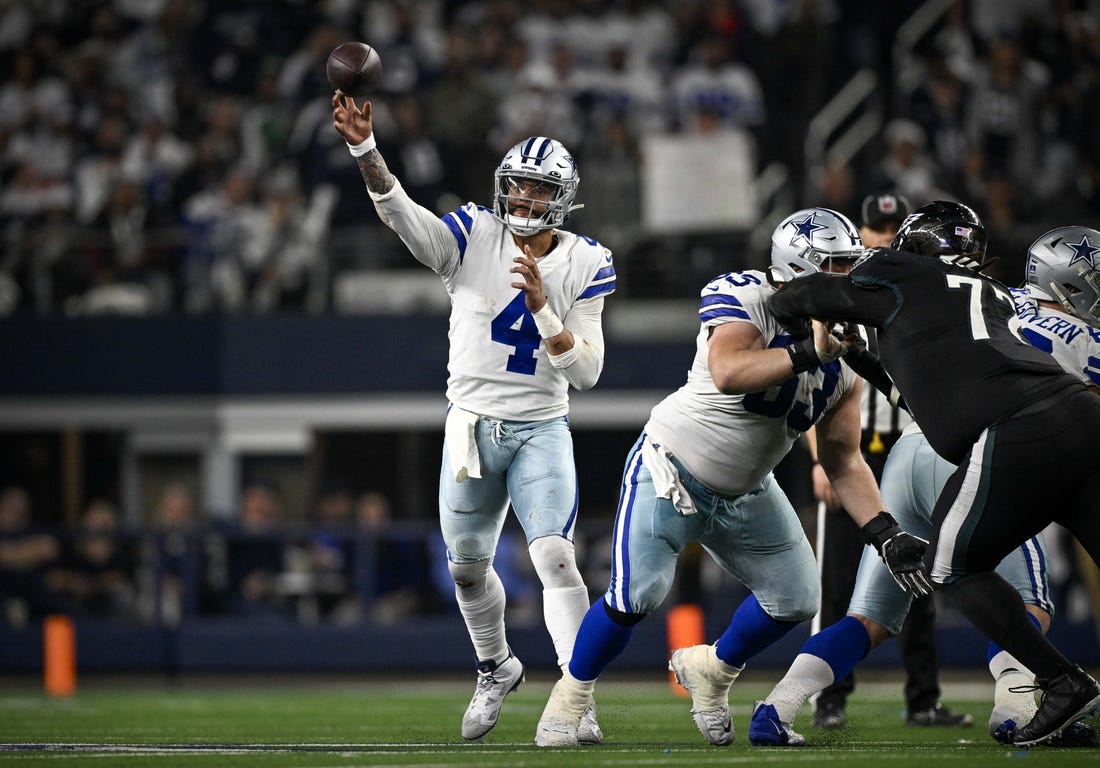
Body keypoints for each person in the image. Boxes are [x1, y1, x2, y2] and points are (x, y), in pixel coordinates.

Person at [534, 208, 920, 747]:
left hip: (747, 489)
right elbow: (729, 370)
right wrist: (809, 351)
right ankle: (569, 698)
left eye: (848, 264)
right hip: (672, 469)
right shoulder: (747, 297)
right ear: (799, 267)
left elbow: (843, 459)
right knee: (636, 595)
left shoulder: (848, 353)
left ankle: (713, 670)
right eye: (833, 265)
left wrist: (884, 531)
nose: (846, 278)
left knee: (797, 596)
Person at [332, 95, 616, 743]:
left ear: (562, 197)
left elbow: (588, 373)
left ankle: (576, 696)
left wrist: (546, 310)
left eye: (535, 188)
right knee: (465, 567)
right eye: (513, 185)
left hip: (541, 425)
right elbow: (405, 219)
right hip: (469, 426)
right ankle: (497, 665)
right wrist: (365, 151)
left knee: (555, 557)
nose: (519, 198)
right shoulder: (473, 234)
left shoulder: (586, 260)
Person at [750, 224, 1100, 747]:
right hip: (1030, 429)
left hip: (932, 449)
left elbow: (822, 313)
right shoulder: (997, 298)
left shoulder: (903, 284)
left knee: (876, 611)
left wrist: (821, 328)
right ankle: (1017, 708)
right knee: (1025, 596)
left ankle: (778, 706)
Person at [806, 192, 972, 729]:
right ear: (861, 231)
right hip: (854, 450)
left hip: (908, 447)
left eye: (891, 228)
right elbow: (820, 384)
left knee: (919, 574)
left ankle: (923, 698)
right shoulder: (845, 289)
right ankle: (829, 696)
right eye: (874, 228)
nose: (881, 237)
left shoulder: (916, 293)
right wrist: (820, 461)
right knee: (835, 581)